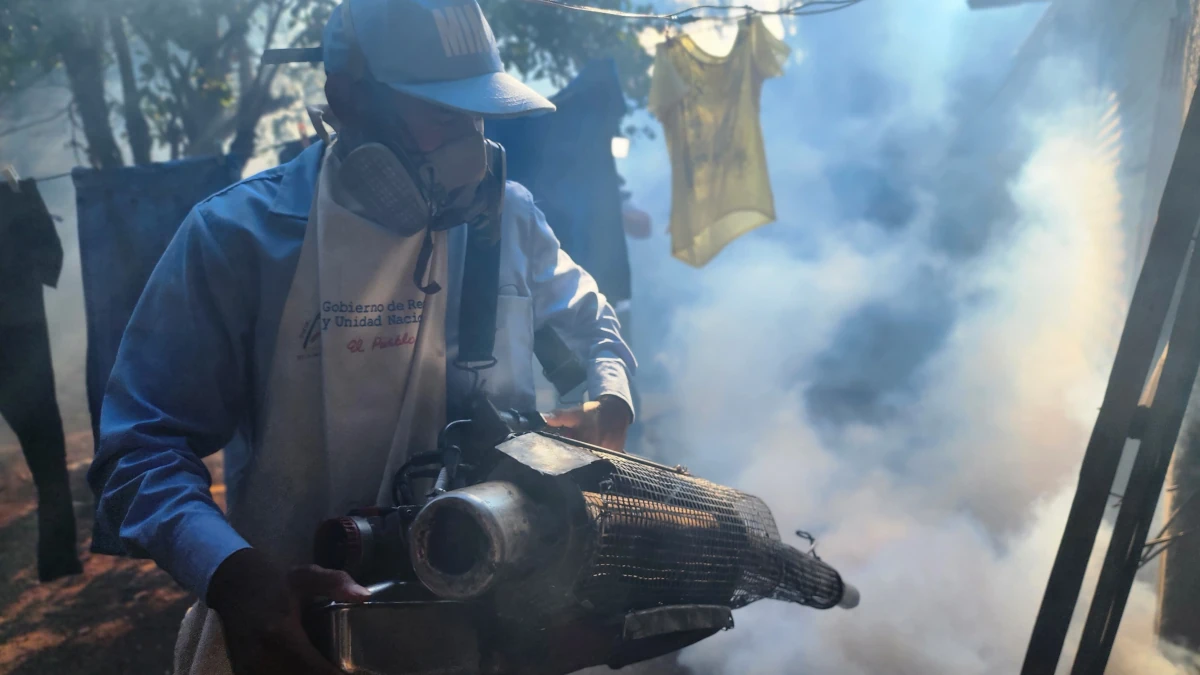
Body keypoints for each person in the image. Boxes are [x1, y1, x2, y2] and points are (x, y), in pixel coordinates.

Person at [86, 1, 636, 673]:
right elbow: (140, 450)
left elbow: (594, 322)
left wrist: (611, 396)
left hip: (490, 617)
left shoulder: (504, 219)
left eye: (478, 116)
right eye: (444, 116)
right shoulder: (240, 238)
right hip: (300, 633)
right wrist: (236, 579)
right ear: (348, 101)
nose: (472, 148)